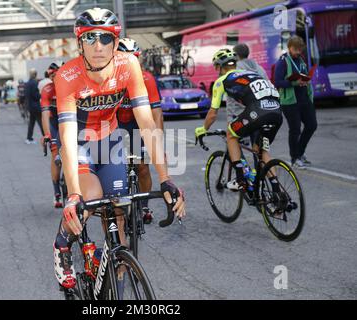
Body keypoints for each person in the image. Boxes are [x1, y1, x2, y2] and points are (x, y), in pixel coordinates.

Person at [53, 8, 185, 289]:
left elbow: (147, 123)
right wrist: (73, 195)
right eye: (90, 38)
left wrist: (165, 178)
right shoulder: (67, 76)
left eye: (105, 38)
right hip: (79, 143)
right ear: (80, 44)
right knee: (91, 196)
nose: (98, 46)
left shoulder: (129, 65)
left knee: (119, 211)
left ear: (115, 42)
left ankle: (114, 275)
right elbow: (66, 136)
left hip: (109, 141)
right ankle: (62, 243)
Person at [195, 48, 283, 193]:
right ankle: (277, 193)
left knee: (231, 134)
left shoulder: (221, 81)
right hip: (276, 111)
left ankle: (241, 179)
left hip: (258, 111)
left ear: (218, 67)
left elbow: (212, 113)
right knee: (261, 150)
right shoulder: (252, 74)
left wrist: (203, 129)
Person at [117, 37, 164, 224]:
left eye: (134, 58)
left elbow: (156, 113)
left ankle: (144, 206)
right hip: (117, 124)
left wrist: (158, 141)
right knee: (114, 165)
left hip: (138, 125)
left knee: (142, 168)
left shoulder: (146, 78)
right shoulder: (109, 78)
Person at [274, 35, 317, 169]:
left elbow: (304, 75)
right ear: (289, 47)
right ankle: (294, 158)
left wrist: (305, 81)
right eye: (295, 49)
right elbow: (278, 82)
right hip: (290, 102)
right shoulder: (282, 62)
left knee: (312, 125)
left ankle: (300, 153)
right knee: (295, 130)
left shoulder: (301, 60)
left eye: (300, 50)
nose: (298, 52)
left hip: (304, 99)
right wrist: (294, 82)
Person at [39, 63, 63, 208]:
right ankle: (56, 192)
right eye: (52, 76)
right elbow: (45, 115)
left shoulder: (73, 86)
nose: (54, 78)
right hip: (55, 124)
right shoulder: (47, 90)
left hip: (69, 123)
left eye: (57, 75)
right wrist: (47, 134)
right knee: (55, 155)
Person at [25, 69, 44, 144]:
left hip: (30, 106)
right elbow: (36, 96)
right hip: (36, 106)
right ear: (35, 74)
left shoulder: (27, 83)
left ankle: (29, 138)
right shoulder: (35, 83)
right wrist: (41, 94)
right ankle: (46, 137)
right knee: (41, 122)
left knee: (31, 123)